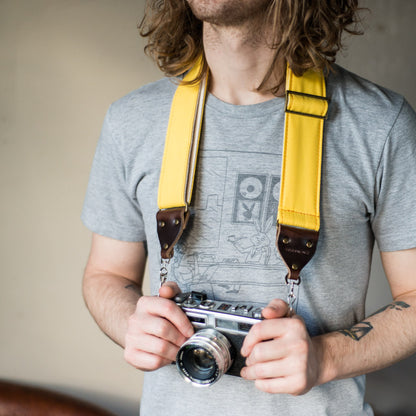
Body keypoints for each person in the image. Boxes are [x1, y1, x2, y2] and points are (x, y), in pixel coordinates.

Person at [81, 1, 416, 415]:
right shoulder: (132, 120)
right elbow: (106, 275)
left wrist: (324, 357)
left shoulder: (380, 125)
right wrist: (133, 325)